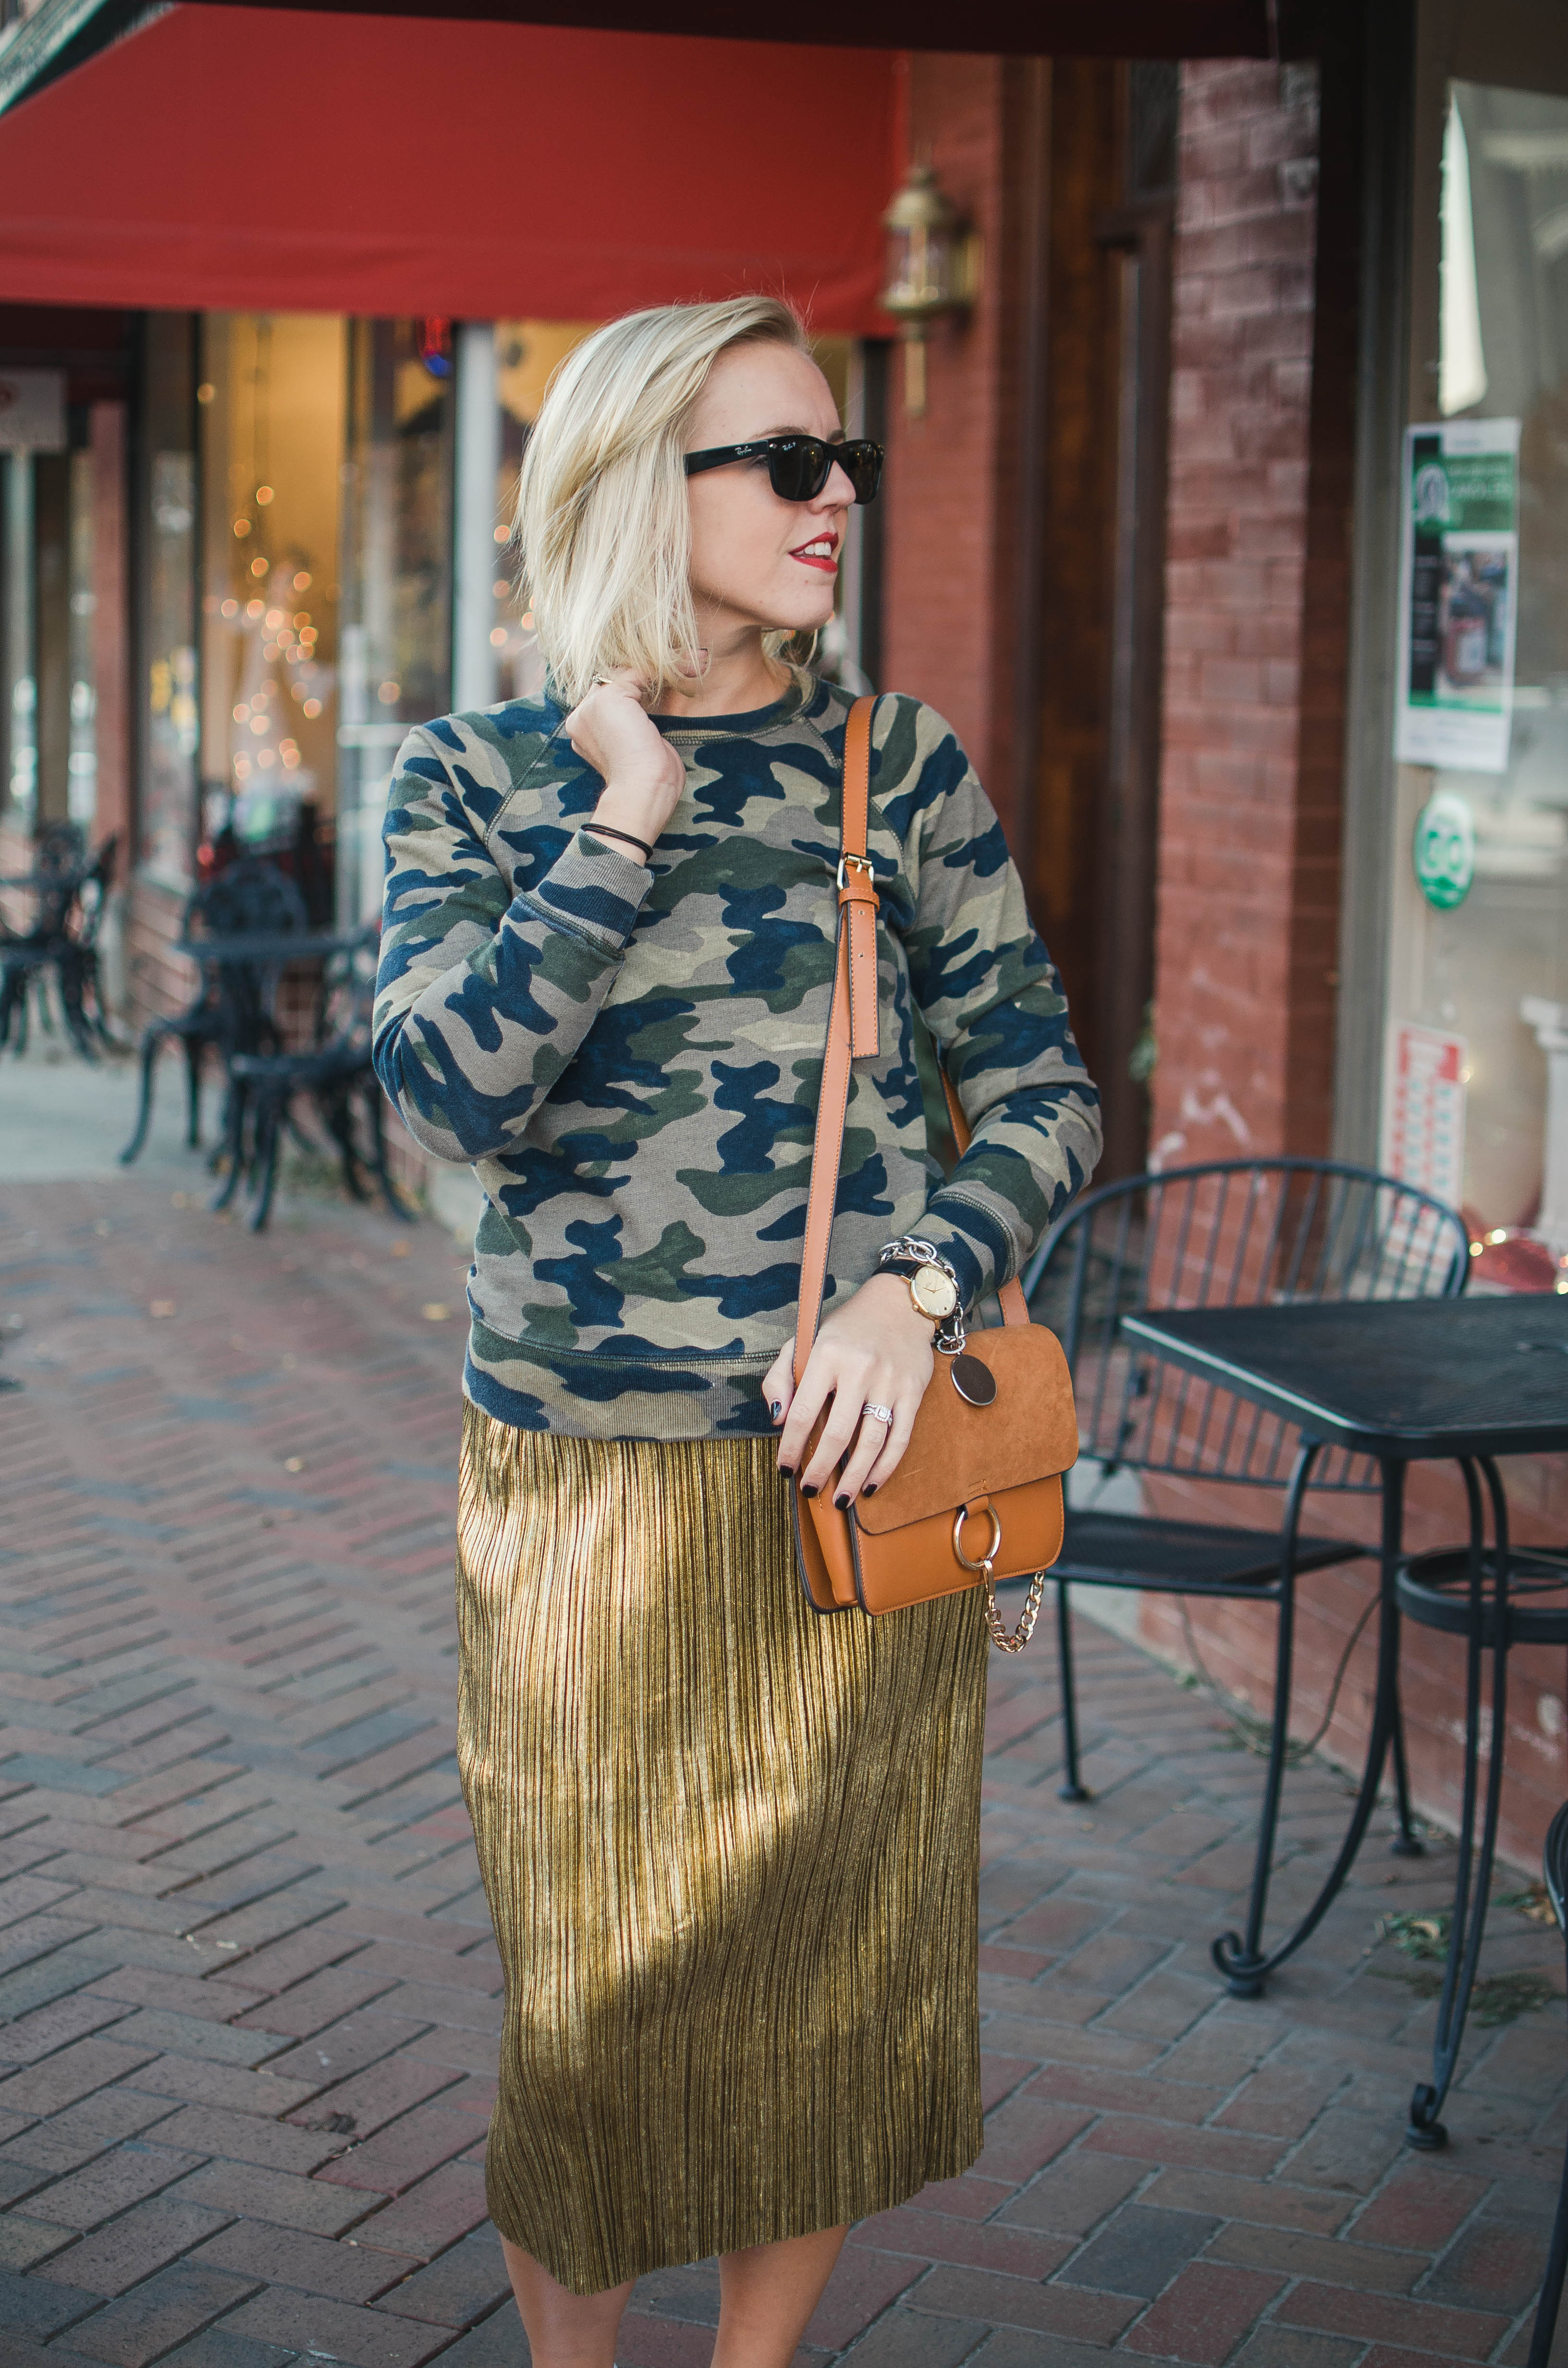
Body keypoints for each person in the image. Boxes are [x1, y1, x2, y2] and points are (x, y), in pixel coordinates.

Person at [373, 295, 1101, 2368]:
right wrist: (619, 815)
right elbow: (443, 1102)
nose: (837, 497)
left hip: (853, 1482)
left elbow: (1047, 1086)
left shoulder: (905, 763)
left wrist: (920, 1277)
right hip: (583, 1483)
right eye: (787, 464)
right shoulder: (481, 777)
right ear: (634, 485)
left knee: (829, 1978)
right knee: (591, 2001)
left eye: (841, 456)